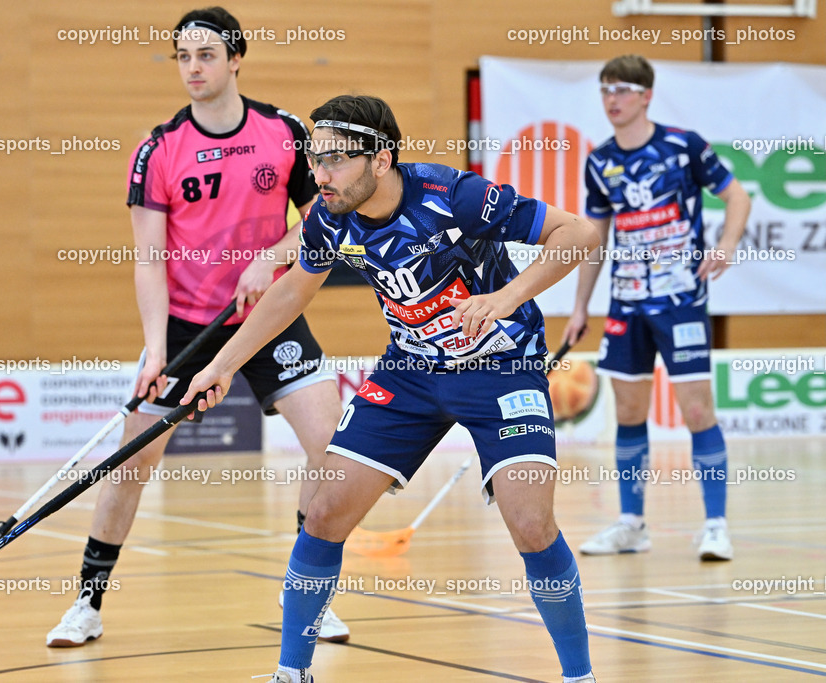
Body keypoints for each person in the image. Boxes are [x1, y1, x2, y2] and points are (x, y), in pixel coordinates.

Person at [183, 95, 600, 683]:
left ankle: (579, 676)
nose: (318, 176)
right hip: (410, 372)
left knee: (531, 524)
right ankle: (291, 673)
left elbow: (577, 234)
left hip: (503, 369)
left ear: (380, 160)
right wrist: (223, 364)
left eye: (332, 161)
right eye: (314, 159)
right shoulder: (329, 215)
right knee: (324, 510)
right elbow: (291, 292)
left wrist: (504, 300)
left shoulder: (455, 196)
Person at [46, 7, 350, 647]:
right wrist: (156, 346)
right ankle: (87, 603)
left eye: (206, 55)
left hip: (270, 316)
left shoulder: (285, 132)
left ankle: (308, 597)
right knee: (132, 463)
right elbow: (148, 257)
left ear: (236, 58)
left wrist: (272, 255)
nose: (193, 67)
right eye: (183, 56)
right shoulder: (158, 149)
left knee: (331, 444)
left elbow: (325, 212)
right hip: (188, 324)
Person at [564, 55, 751, 561]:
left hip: (681, 301)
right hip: (627, 301)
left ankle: (715, 525)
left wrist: (727, 246)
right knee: (628, 410)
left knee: (695, 409)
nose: (612, 100)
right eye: (605, 90)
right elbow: (594, 237)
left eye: (622, 90)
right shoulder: (600, 161)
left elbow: (737, 197)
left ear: (646, 95)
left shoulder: (682, 146)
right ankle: (631, 523)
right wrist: (581, 306)